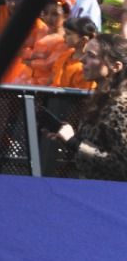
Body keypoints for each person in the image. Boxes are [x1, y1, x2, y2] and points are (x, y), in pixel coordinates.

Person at [54, 34, 127, 181]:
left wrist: (74, 142)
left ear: (116, 66)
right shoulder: (102, 98)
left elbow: (123, 165)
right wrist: (68, 137)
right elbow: (99, 145)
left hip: (109, 198)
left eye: (91, 56)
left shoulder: (120, 106)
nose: (82, 60)